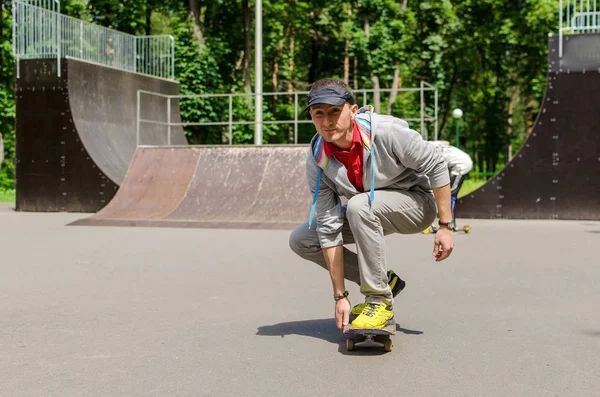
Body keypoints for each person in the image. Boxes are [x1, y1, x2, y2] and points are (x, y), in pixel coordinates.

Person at [289, 78, 454, 331]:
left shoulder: (386, 132)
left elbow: (436, 164)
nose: (326, 121)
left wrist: (445, 225)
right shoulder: (317, 158)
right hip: (367, 210)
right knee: (303, 239)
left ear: (353, 111)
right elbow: (328, 224)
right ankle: (384, 281)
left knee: (358, 206)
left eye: (335, 111)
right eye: (318, 113)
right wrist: (340, 296)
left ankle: (379, 301)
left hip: (416, 205)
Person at [427, 141, 473, 232]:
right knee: (444, 192)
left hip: (461, 165)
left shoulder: (427, 153)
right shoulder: (432, 143)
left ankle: (450, 223)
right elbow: (446, 142)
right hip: (455, 164)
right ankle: (448, 221)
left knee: (449, 194)